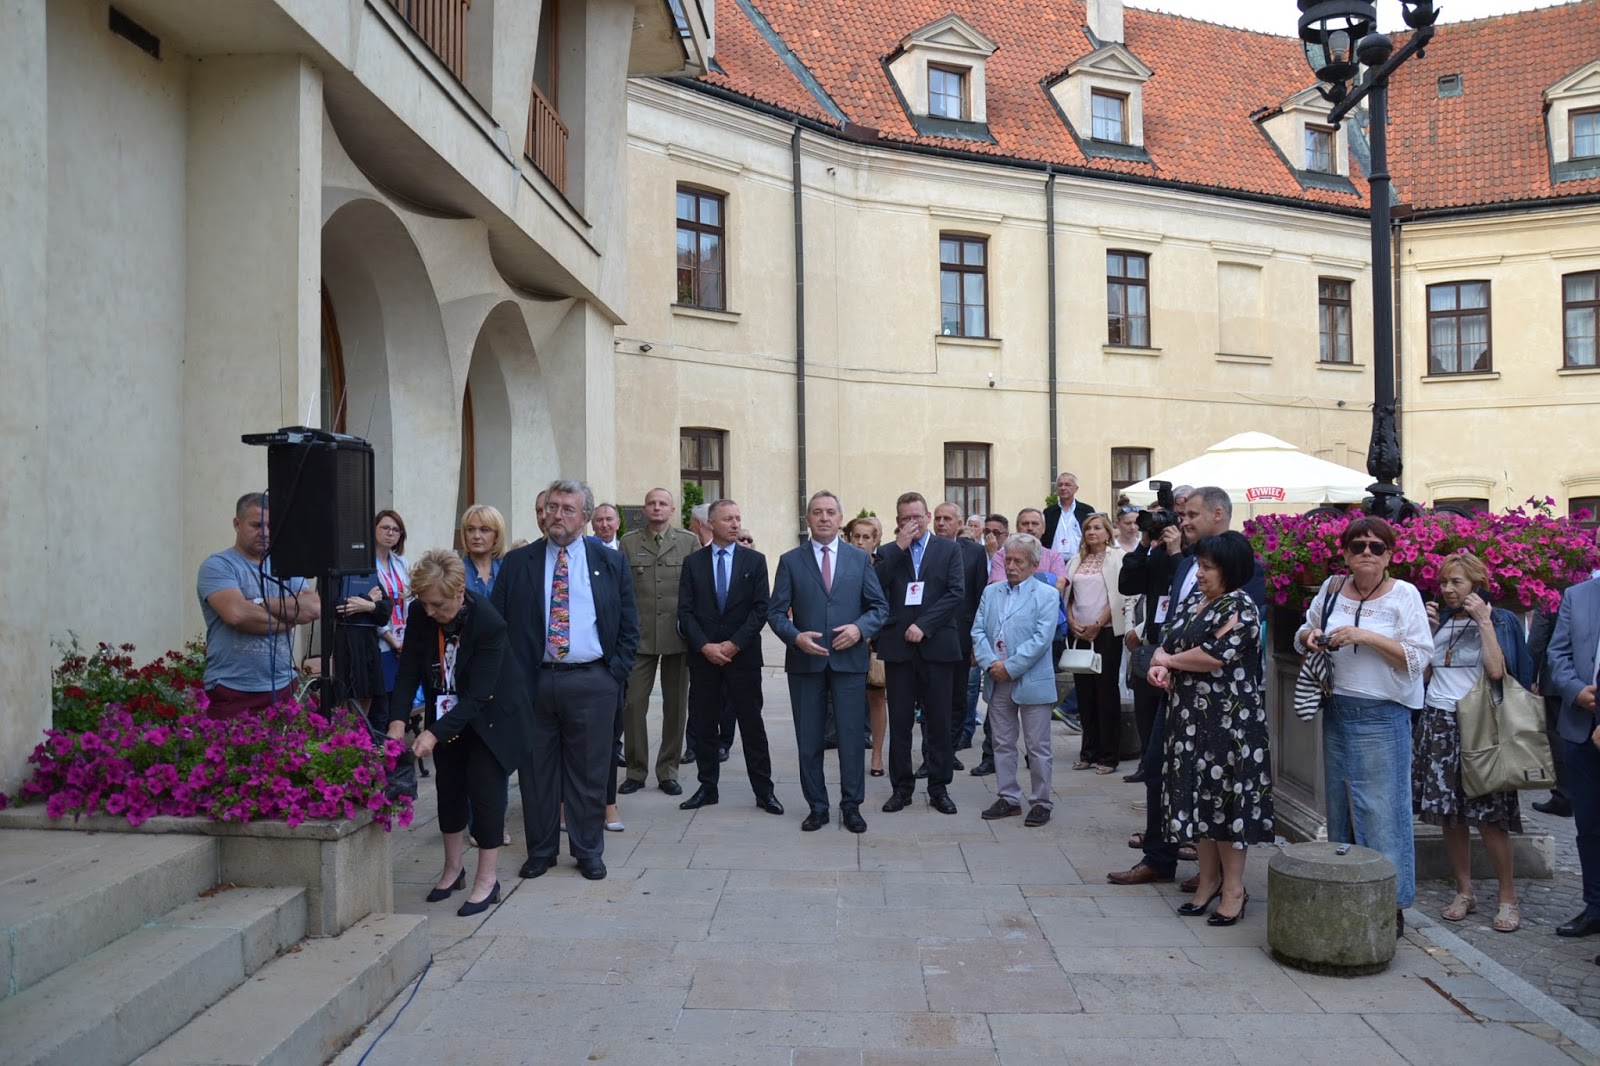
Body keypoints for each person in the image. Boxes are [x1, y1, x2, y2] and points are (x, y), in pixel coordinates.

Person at [1109, 486, 1262, 890]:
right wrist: (1164, 660)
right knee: (1160, 770)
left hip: (1222, 704)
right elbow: (1171, 617)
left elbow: (1229, 640)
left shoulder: (1244, 565)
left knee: (1217, 786)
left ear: (1217, 514)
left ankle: (1220, 878)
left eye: (1192, 514)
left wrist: (1169, 660)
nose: (1183, 520)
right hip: (1179, 693)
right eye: (1182, 514)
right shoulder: (1184, 562)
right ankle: (1161, 856)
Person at [493, 479, 639, 881]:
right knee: (536, 774)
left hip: (593, 681)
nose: (556, 515)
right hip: (535, 682)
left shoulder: (610, 561)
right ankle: (541, 852)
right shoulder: (518, 562)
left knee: (590, 772)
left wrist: (614, 674)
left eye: (567, 509)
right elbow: (498, 624)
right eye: (552, 507)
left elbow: (630, 624)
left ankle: (588, 850)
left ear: (586, 517)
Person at [1295, 516, 1432, 936]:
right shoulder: (1332, 587)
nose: (1367, 553)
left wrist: (1364, 636)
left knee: (1384, 813)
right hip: (1338, 709)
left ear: (1390, 555)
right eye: (1358, 546)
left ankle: (1391, 906)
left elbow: (1418, 657)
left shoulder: (1404, 595)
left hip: (1383, 715)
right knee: (1342, 810)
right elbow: (1303, 630)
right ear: (1345, 553)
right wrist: (1310, 637)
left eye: (1376, 546)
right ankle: (1350, 896)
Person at [388, 550, 533, 916]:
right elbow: (408, 671)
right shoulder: (421, 613)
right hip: (446, 711)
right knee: (449, 788)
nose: (430, 612)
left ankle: (488, 879)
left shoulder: (488, 622)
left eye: (438, 605)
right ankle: (453, 869)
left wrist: (432, 734)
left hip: (491, 717)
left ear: (459, 592)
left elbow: (479, 696)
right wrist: (397, 723)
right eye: (425, 604)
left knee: (485, 793)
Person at [1149, 531, 1272, 925]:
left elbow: (1212, 656)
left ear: (1230, 569)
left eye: (1208, 567)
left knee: (1225, 804)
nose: (1199, 573)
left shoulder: (1241, 607)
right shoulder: (1196, 601)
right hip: (1188, 719)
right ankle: (1207, 881)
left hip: (1229, 723)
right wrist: (1160, 662)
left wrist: (1168, 662)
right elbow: (1168, 641)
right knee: (1198, 800)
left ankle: (1234, 889)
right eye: (1199, 565)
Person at [1416, 551, 1534, 933]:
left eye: (1457, 582)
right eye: (1444, 582)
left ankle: (1507, 896)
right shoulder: (1443, 621)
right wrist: (1427, 632)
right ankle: (1464, 890)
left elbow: (1498, 670)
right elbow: (1425, 676)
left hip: (1479, 726)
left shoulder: (1499, 619)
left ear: (1476, 584)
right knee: (1449, 817)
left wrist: (1483, 620)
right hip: (1438, 722)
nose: (1448, 589)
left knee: (1490, 818)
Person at [769, 491, 889, 832]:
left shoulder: (859, 559)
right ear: (808, 519)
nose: (824, 517)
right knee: (809, 739)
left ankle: (851, 806)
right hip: (806, 664)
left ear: (840, 519)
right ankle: (817, 806)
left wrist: (859, 629)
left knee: (851, 738)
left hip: (848, 662)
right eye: (817, 512)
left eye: (830, 512)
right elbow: (775, 612)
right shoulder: (791, 561)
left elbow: (879, 608)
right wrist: (795, 637)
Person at [677, 499, 782, 815]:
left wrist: (734, 644)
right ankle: (707, 787)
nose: (735, 524)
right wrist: (705, 646)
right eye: (728, 519)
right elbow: (685, 611)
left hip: (743, 658)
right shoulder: (693, 563)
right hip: (704, 659)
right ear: (711, 524)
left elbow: (761, 608)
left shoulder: (755, 561)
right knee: (705, 725)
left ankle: (764, 791)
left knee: (752, 725)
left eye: (738, 518)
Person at [876, 491, 966, 815]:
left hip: (937, 645)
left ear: (928, 517)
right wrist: (898, 549)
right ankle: (901, 789)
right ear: (898, 521)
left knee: (939, 720)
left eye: (917, 517)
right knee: (900, 722)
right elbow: (874, 587)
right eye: (906, 519)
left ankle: (939, 788)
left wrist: (924, 625)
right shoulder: (887, 552)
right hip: (899, 648)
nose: (912, 523)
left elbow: (955, 592)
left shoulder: (948, 549)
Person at [197, 493, 320, 718]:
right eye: (256, 525)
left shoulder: (286, 565)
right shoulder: (218, 566)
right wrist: (291, 618)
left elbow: (313, 608)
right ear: (237, 524)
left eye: (270, 526)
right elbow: (237, 615)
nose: (264, 532)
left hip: (282, 685)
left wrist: (259, 603)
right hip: (232, 687)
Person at [972, 534, 1061, 827]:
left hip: (1031, 679)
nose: (1011, 566)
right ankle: (1008, 797)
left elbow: (1041, 639)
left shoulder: (1047, 595)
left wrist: (1010, 667)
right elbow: (977, 631)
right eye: (1007, 559)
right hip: (997, 677)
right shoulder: (991, 592)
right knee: (1002, 742)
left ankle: (1041, 801)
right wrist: (991, 663)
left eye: (1018, 561)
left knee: (1037, 746)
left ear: (1034, 565)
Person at [617, 487, 699, 794]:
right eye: (651, 503)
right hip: (640, 637)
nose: (656, 507)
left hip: (677, 636)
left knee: (675, 707)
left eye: (663, 503)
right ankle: (636, 771)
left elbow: (696, 589)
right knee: (632, 705)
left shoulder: (689, 542)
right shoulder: (629, 543)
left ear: (672, 509)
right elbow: (622, 591)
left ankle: (668, 770)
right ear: (644, 509)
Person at [1544, 568, 1600, 937]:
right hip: (1582, 725)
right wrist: (1575, 690)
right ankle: (1595, 907)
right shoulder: (1577, 596)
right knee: (1589, 826)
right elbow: (1557, 654)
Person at [1065, 513, 1133, 773]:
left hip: (1106, 632)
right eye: (1087, 528)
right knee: (1084, 696)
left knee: (1105, 694)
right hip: (1079, 632)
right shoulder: (1077, 559)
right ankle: (1088, 752)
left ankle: (1108, 756)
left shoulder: (1117, 557)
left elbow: (1119, 595)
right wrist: (1071, 620)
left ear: (1107, 532)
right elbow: (1068, 594)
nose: (1092, 532)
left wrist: (1098, 622)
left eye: (1097, 528)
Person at [930, 502, 987, 775]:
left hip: (961, 636)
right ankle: (930, 755)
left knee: (958, 698)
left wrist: (977, 640)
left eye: (947, 519)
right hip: (929, 636)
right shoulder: (924, 549)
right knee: (930, 701)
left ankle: (949, 752)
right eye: (937, 518)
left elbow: (979, 597)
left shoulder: (974, 553)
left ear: (959, 523)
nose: (941, 523)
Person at [847, 516, 890, 776]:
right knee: (849, 701)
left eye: (866, 537)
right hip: (847, 641)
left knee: (876, 699)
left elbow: (887, 605)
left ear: (876, 541)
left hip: (876, 642)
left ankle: (876, 755)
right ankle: (851, 752)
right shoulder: (843, 563)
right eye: (856, 536)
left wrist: (870, 632)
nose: (860, 542)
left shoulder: (883, 568)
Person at [374, 510, 411, 698]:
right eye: (385, 528)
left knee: (401, 695)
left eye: (396, 530)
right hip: (382, 641)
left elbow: (411, 599)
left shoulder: (402, 563)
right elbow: (373, 608)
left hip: (404, 638)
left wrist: (407, 640)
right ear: (374, 529)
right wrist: (393, 642)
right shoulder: (366, 565)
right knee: (384, 697)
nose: (390, 533)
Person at [1044, 471, 1095, 560]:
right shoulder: (1049, 512)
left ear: (1076, 489)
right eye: (1060, 485)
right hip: (1053, 561)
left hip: (1080, 560)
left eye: (1067, 485)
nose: (1063, 488)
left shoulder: (1086, 510)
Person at [459, 504, 508, 597]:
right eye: (471, 529)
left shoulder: (507, 569)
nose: (476, 536)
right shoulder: (456, 572)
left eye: (484, 530)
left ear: (497, 536)